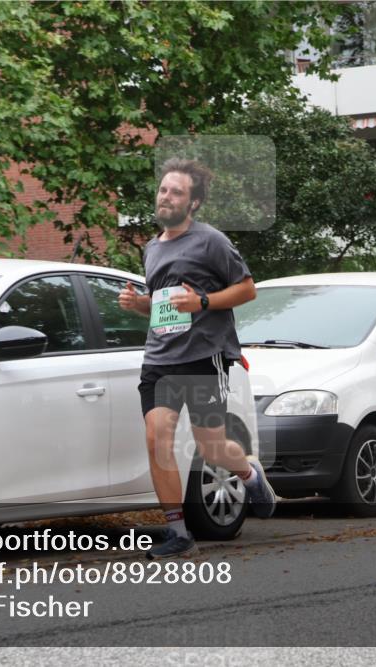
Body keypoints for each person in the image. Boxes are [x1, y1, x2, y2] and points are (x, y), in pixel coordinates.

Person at [118, 158, 276, 559]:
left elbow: (246, 290)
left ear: (194, 203)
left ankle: (249, 474)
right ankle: (178, 533)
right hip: (159, 359)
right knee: (157, 440)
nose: (166, 197)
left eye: (177, 192)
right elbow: (164, 305)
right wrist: (139, 305)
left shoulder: (211, 242)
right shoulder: (153, 248)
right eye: (163, 190)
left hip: (202, 357)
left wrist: (203, 300)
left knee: (211, 448)